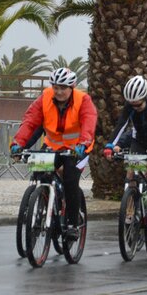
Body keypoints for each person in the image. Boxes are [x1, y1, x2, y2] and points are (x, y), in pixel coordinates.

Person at [11, 68, 96, 236]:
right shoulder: (45, 98)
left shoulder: (83, 100)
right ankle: (47, 201)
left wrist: (83, 144)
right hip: (52, 147)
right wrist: (18, 143)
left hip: (76, 149)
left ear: (72, 87)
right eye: (56, 87)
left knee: (70, 180)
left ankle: (72, 223)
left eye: (63, 88)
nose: (59, 92)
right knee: (41, 173)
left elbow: (89, 123)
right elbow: (30, 122)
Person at [106, 75, 147, 223]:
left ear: (145, 97)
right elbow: (121, 125)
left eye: (138, 105)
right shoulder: (130, 106)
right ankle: (130, 210)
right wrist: (110, 145)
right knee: (131, 175)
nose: (135, 108)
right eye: (132, 105)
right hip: (139, 143)